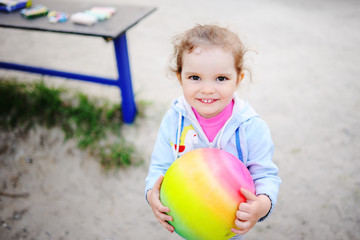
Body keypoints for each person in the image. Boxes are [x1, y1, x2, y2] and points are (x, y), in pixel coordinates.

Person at [145, 24, 281, 239]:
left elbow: (265, 175)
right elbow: (160, 166)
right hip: (186, 222)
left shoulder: (251, 126)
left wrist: (262, 205)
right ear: (180, 77)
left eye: (221, 78)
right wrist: (151, 194)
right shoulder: (174, 118)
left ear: (239, 78)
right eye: (195, 77)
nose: (207, 89)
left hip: (230, 227)